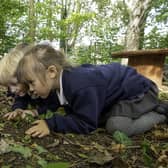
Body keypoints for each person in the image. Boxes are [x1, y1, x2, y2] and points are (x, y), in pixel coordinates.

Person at [16, 44, 168, 138]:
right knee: (103, 116)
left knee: (117, 126)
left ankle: (159, 112)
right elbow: (54, 103)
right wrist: (36, 112)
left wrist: (51, 124)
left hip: (139, 92)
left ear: (51, 72)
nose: (31, 89)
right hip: (115, 95)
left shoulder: (80, 85)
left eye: (31, 82)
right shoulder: (59, 83)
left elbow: (86, 123)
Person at [0, 43, 57, 120]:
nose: (12, 90)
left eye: (14, 84)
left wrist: (36, 112)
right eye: (8, 86)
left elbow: (54, 104)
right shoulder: (24, 90)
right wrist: (18, 108)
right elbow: (21, 99)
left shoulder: (45, 86)